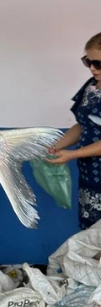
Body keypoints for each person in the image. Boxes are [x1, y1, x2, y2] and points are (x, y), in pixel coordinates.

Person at [46, 32, 101, 229]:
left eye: (99, 64)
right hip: (91, 178)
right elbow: (82, 124)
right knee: (91, 236)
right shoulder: (91, 87)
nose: (93, 69)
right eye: (88, 62)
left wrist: (73, 154)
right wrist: (55, 146)